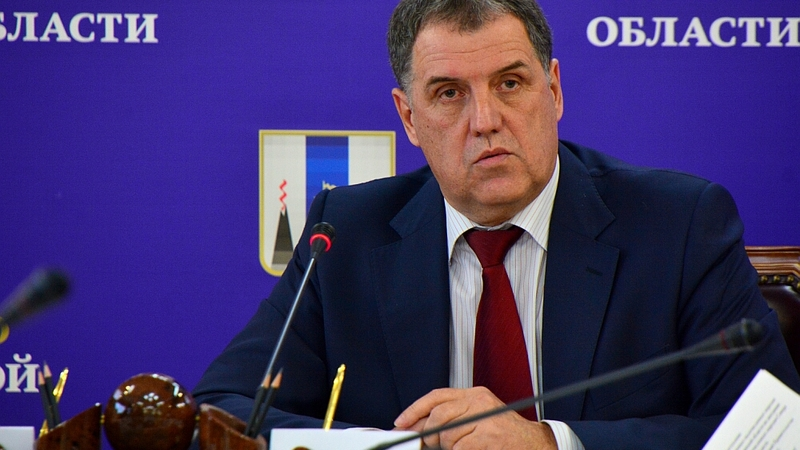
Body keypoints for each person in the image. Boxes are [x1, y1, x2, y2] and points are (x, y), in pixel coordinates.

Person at [193, 0, 800, 448]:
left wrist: (551, 443)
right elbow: (219, 412)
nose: (485, 119)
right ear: (409, 118)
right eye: (449, 93)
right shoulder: (346, 236)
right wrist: (399, 447)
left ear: (553, 91)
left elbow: (772, 430)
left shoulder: (679, 225)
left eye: (510, 83)